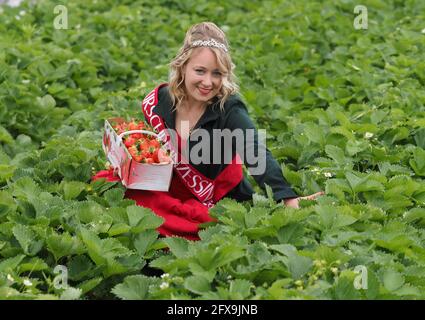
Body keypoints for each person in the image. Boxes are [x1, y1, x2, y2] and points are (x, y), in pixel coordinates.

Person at [92, 22, 324, 240]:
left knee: (200, 224)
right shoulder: (162, 101)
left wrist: (287, 197)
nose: (208, 82)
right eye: (200, 71)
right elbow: (148, 147)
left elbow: (256, 152)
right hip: (166, 188)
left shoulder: (229, 109)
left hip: (212, 198)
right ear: (182, 68)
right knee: (118, 188)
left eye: (217, 74)